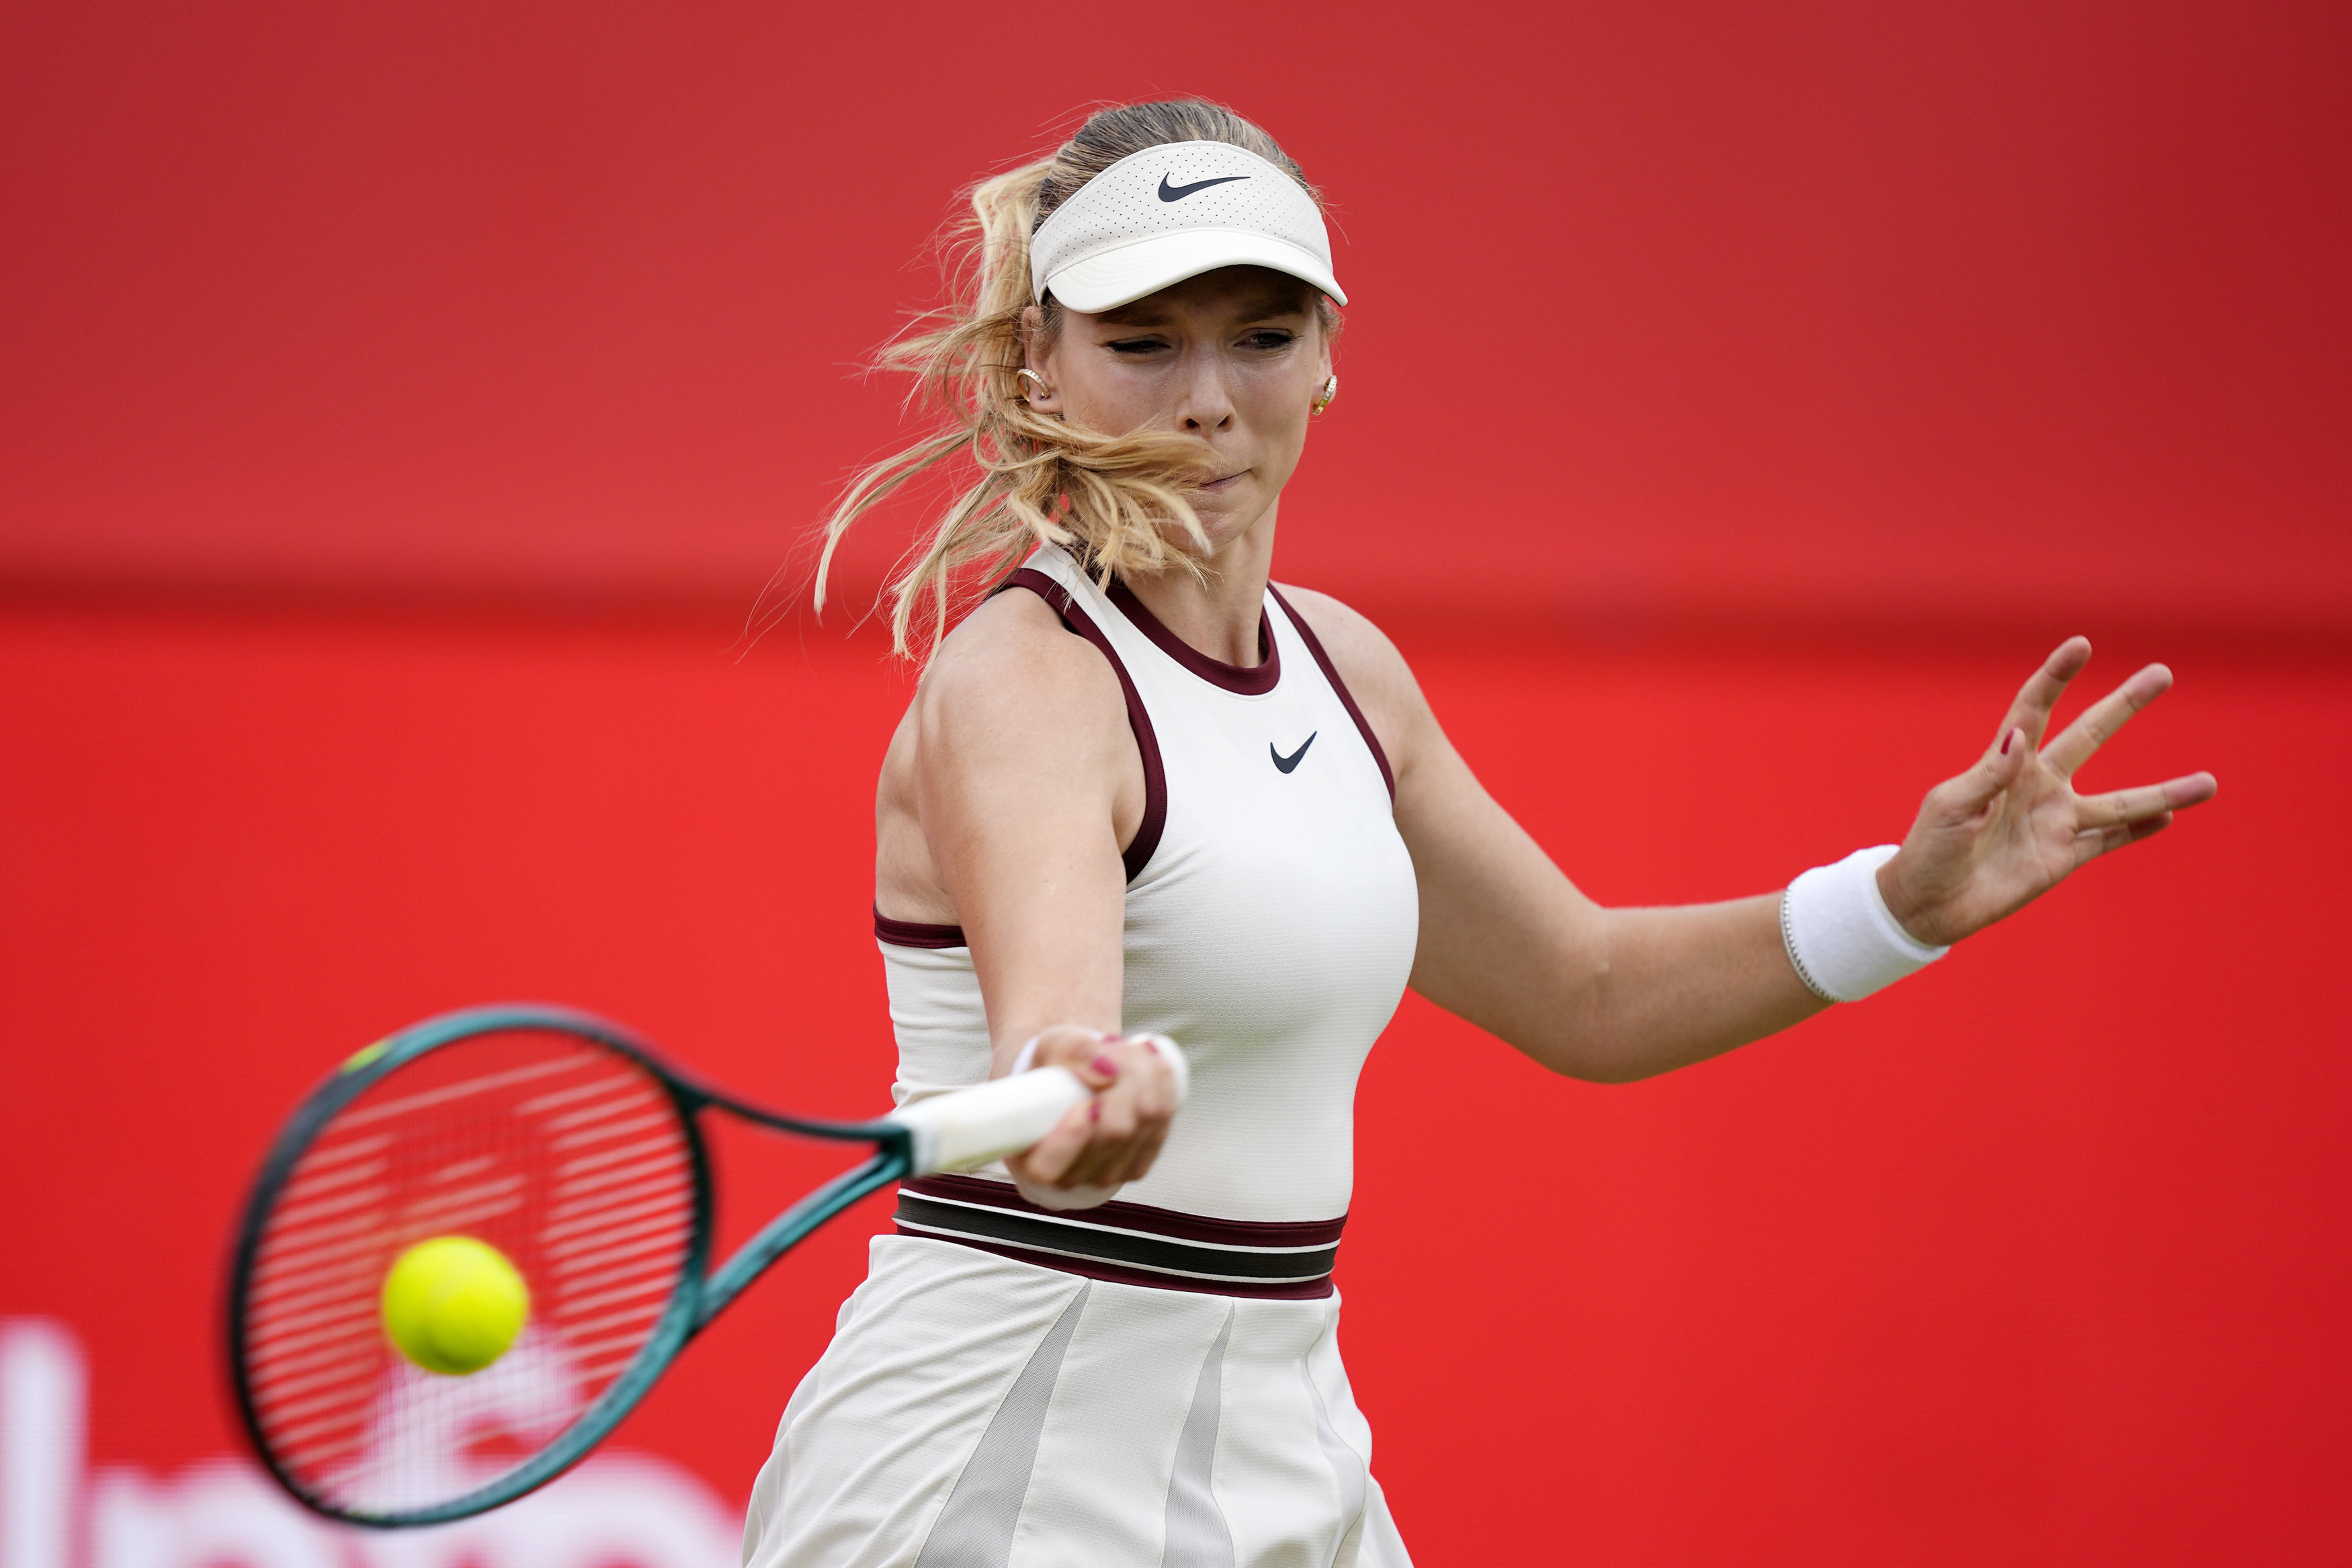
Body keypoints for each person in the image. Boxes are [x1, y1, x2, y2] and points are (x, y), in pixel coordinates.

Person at [739, 99, 2216, 1568]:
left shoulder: (1348, 671)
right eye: (1143, 344)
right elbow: (1055, 1043)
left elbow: (1586, 991)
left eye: (1261, 336)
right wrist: (1075, 1099)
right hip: (1011, 1452)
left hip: (1285, 1436)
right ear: (1037, 361)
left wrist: (1897, 906)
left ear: (1327, 356)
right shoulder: (1027, 680)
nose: (1209, 399)